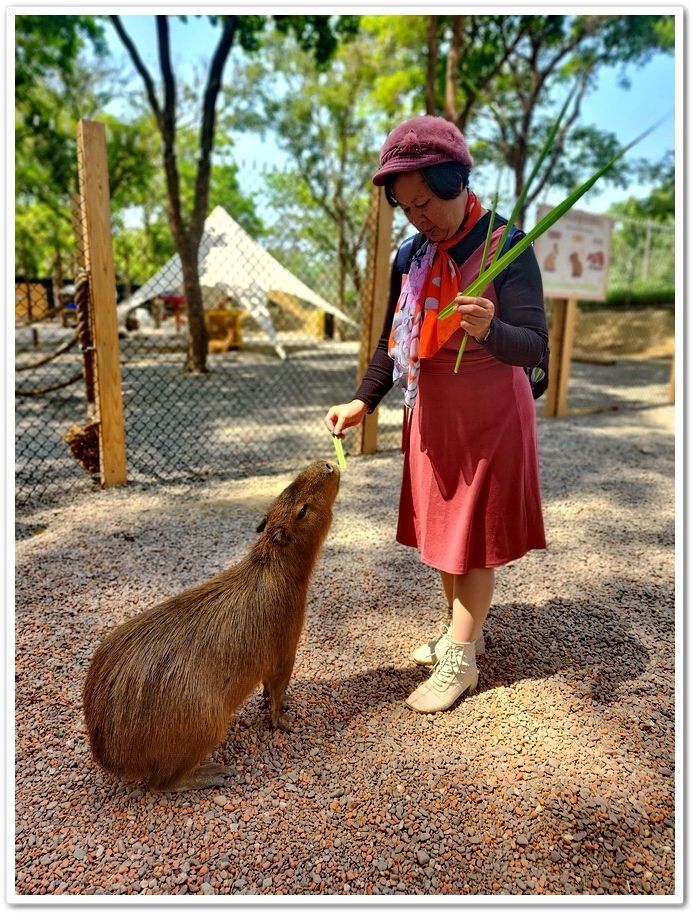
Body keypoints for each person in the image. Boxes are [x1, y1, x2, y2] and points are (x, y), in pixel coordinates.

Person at [324, 115, 548, 714]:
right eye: (406, 206)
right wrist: (360, 401)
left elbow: (535, 347)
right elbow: (390, 343)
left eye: (425, 201)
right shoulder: (413, 256)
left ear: (455, 181)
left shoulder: (507, 245)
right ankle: (457, 632)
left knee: (471, 538)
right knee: (445, 535)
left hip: (491, 413)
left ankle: (461, 657)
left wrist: (490, 330)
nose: (418, 217)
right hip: (432, 416)